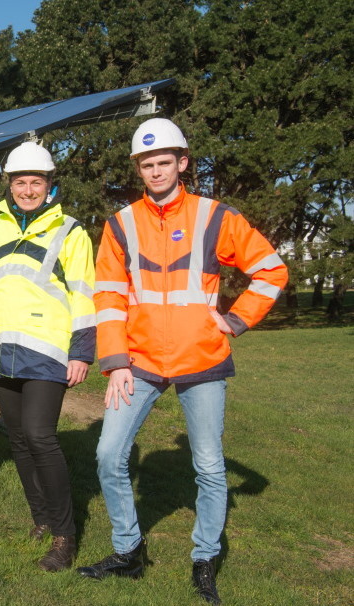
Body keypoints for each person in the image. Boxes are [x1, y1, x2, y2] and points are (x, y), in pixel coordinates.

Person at [76, 118, 288, 604]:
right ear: (139, 168)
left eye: (163, 162)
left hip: (202, 358)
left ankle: (204, 557)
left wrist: (236, 321)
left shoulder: (216, 217)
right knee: (109, 454)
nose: (155, 171)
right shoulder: (120, 224)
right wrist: (115, 361)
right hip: (140, 360)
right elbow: (108, 297)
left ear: (182, 163)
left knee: (210, 467)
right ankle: (128, 552)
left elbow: (272, 270)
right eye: (146, 164)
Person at [0, 141, 95, 571]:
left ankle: (64, 535)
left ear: (50, 185)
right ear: (9, 185)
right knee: (18, 438)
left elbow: (85, 293)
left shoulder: (71, 231)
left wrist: (82, 351)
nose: (28, 189)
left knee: (40, 435)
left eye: (36, 182)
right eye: (21, 182)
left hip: (48, 350)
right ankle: (40, 518)